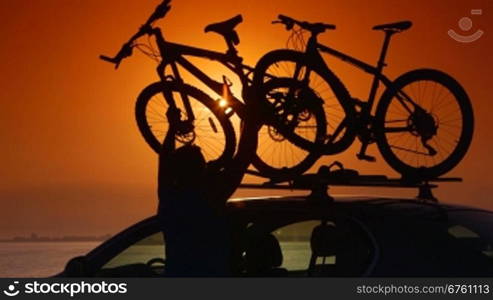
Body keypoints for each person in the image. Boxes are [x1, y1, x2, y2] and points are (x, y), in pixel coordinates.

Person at [157, 105, 259, 276]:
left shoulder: (170, 198)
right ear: (202, 170)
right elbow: (243, 157)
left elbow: (165, 162)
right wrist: (252, 122)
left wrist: (172, 127)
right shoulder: (211, 196)